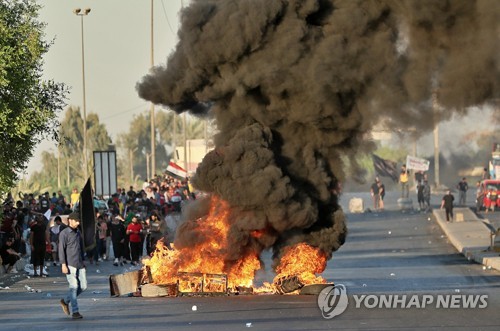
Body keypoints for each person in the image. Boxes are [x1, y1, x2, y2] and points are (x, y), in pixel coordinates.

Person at [58, 212, 87, 319]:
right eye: (77, 221)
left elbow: (81, 247)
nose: (78, 223)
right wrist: (63, 264)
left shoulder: (78, 232)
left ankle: (65, 301)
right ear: (70, 220)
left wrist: (83, 261)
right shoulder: (64, 233)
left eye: (79, 221)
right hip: (69, 264)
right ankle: (75, 311)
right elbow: (61, 250)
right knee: (74, 287)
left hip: (79, 263)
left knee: (83, 286)